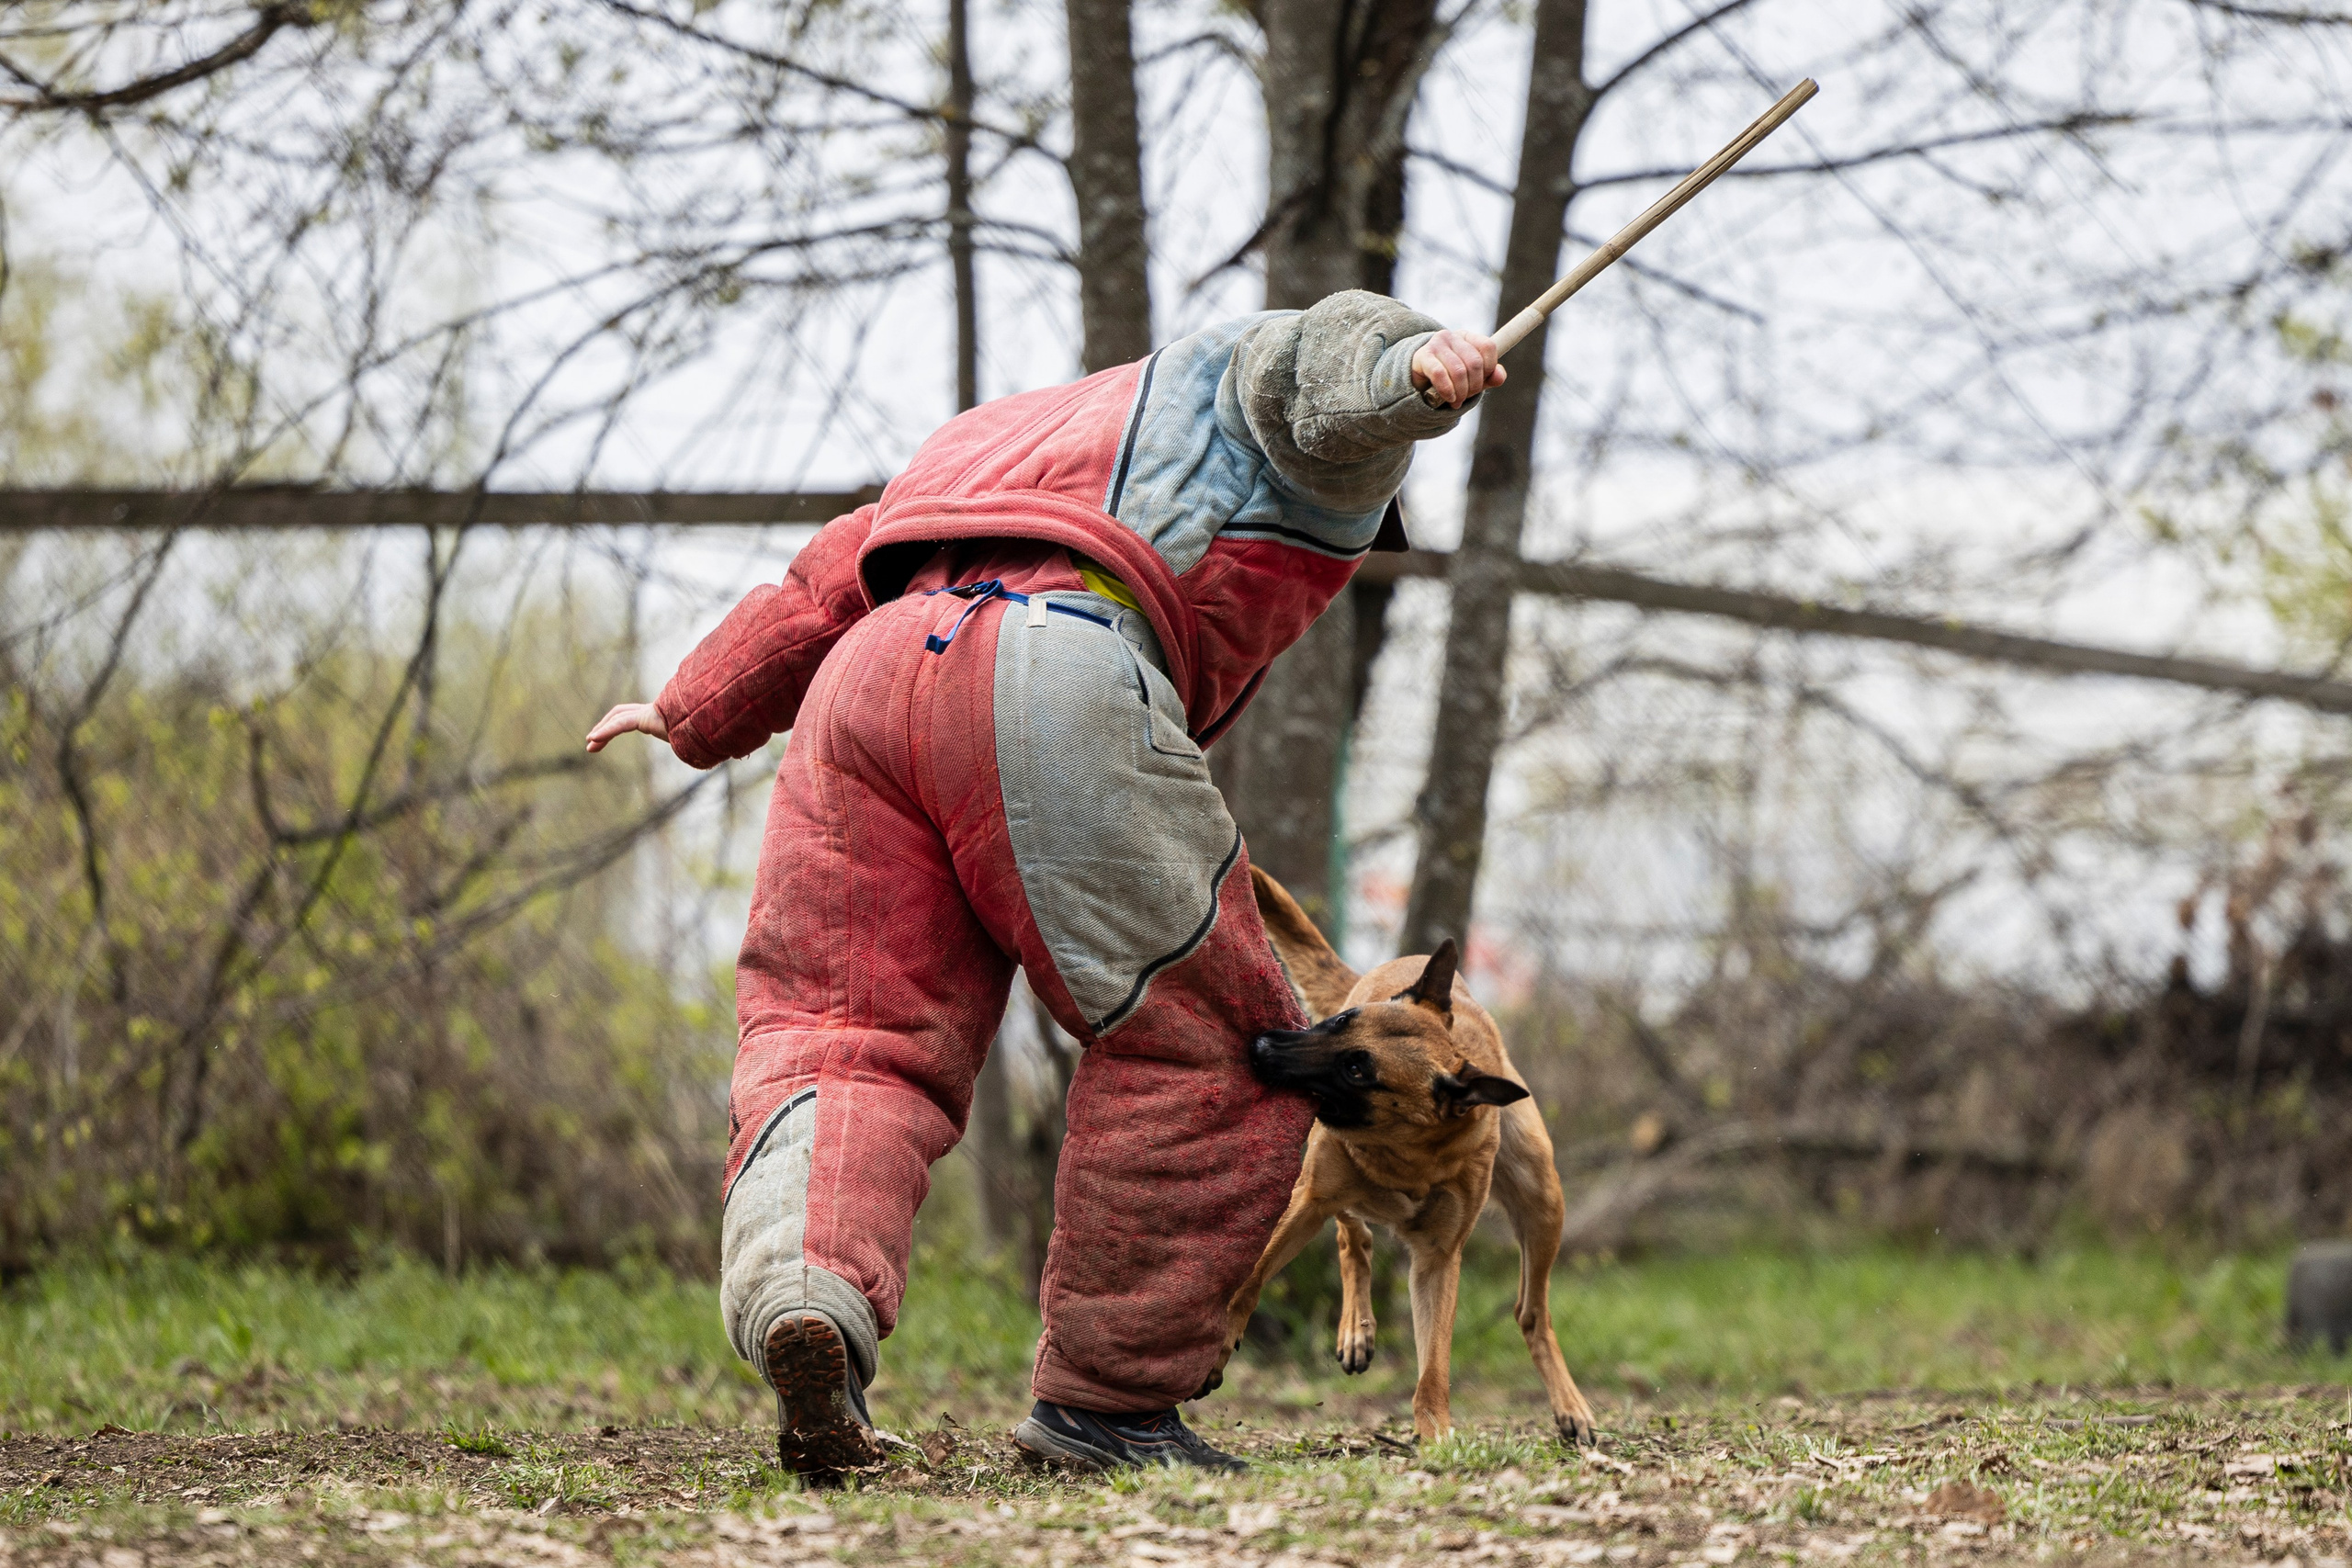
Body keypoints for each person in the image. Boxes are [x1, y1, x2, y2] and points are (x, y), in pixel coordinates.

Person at [586, 290, 1502, 1474]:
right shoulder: (1231, 390)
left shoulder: (994, 436)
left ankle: (808, 1298)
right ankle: (1108, 1406)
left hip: (868, 676)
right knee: (1221, 1039)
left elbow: (827, 581)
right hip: (1057, 663)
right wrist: (1410, 376)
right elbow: (1312, 376)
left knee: (841, 1029)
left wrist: (692, 706)